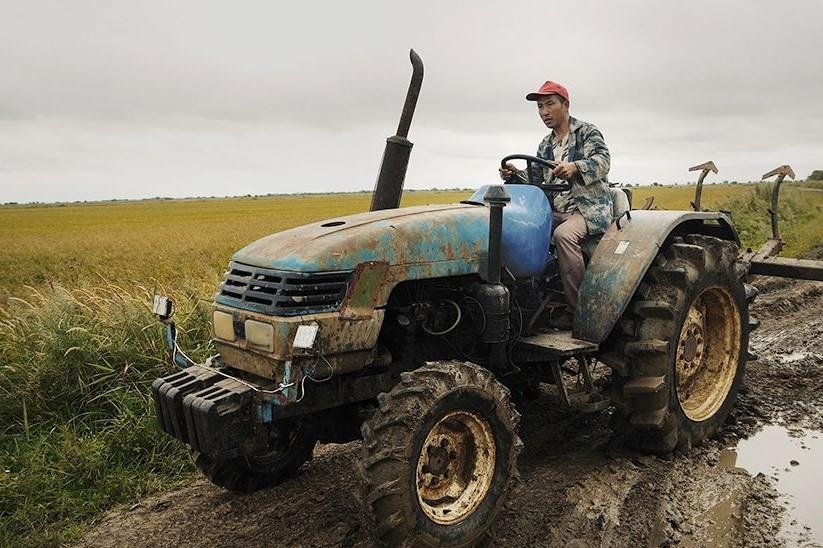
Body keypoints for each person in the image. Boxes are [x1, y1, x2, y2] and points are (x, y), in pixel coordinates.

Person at [499, 80, 612, 328]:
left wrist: (575, 167)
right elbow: (537, 179)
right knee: (514, 230)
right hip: (554, 210)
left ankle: (578, 311)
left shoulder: (586, 132)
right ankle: (521, 303)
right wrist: (515, 174)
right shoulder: (545, 144)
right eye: (540, 107)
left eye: (549, 104)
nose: (544, 112)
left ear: (566, 105)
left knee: (563, 236)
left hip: (585, 211)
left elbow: (603, 161)